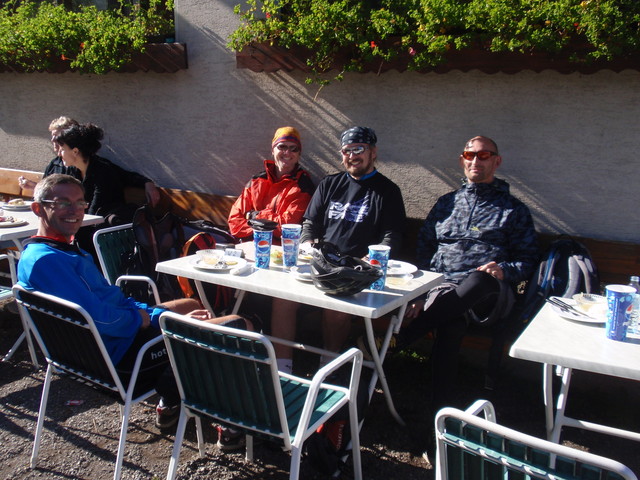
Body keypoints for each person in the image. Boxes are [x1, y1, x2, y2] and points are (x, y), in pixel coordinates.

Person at [17, 174, 255, 441]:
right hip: (122, 361)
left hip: (101, 349)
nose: (74, 210)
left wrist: (157, 315)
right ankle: (231, 421)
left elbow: (111, 302)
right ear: (38, 208)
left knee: (189, 304)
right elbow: (102, 319)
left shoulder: (53, 252)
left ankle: (170, 400)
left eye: (80, 203)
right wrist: (156, 321)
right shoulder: (49, 262)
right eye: (62, 203)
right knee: (239, 325)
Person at [386, 135, 538, 463]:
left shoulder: (513, 210)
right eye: (470, 155)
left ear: (496, 161)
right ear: (462, 160)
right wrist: (420, 294)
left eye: (484, 155)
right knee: (451, 322)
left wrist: (503, 269)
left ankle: (400, 340)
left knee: (478, 280)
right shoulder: (446, 204)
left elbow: (528, 261)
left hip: (490, 295)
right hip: (443, 291)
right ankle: (438, 431)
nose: (476, 161)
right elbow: (425, 252)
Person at [271, 126, 406, 373]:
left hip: (355, 271)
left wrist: (372, 259)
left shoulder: (388, 191)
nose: (352, 156)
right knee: (283, 299)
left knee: (337, 309)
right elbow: (310, 223)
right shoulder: (329, 183)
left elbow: (392, 235)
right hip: (320, 263)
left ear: (373, 152)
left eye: (359, 149)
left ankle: (327, 367)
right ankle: (282, 368)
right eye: (346, 151)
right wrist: (307, 244)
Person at [227, 126, 315, 240]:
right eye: (282, 146)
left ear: (298, 154)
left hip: (280, 247)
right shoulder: (256, 181)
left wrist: (254, 215)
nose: (287, 152)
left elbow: (286, 227)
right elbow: (234, 222)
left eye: (294, 149)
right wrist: (264, 226)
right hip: (248, 243)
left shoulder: (303, 186)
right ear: (273, 150)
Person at [18, 116, 80, 191]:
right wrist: (35, 187)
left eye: (57, 136)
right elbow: (48, 192)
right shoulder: (54, 163)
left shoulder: (81, 165)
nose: (52, 140)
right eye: (52, 136)